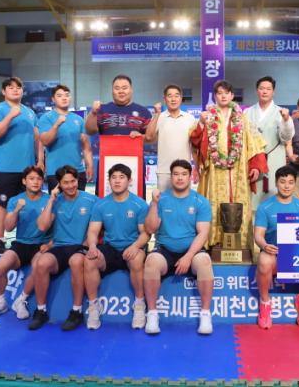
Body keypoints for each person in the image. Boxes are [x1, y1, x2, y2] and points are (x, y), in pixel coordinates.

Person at [190, 80, 267, 248]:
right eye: (219, 93)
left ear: (232, 95)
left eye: (226, 93)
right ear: (215, 96)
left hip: (238, 169)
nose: (223, 96)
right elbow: (195, 140)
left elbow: (255, 142)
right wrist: (201, 123)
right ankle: (214, 241)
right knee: (214, 203)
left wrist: (255, 165)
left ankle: (240, 243)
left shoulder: (242, 117)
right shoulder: (208, 116)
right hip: (215, 170)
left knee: (239, 201)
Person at [143, 159, 214, 334]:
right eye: (176, 174)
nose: (180, 178)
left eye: (184, 174)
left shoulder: (200, 201)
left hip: (191, 251)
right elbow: (150, 229)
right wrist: (154, 204)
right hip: (165, 250)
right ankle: (152, 314)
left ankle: (205, 314)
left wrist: (188, 257)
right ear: (171, 177)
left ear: (190, 177)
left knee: (205, 261)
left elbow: (203, 233)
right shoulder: (161, 199)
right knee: (151, 261)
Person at [29, 165, 99, 331]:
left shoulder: (91, 201)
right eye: (65, 183)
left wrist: (89, 244)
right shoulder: (55, 201)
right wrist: (51, 200)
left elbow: (99, 228)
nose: (70, 185)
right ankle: (41, 310)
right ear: (59, 184)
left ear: (78, 180)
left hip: (80, 246)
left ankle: (76, 311)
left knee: (76, 262)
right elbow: (42, 226)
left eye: (73, 181)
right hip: (59, 246)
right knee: (41, 263)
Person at [83, 164, 149, 330]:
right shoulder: (101, 205)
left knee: (137, 260)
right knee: (89, 260)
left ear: (129, 181)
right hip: (110, 248)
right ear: (109, 181)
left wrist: (135, 246)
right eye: (114, 177)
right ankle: (93, 307)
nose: (117, 181)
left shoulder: (140, 205)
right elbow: (93, 231)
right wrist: (92, 246)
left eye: (121, 177)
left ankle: (139, 304)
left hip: (132, 246)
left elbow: (145, 234)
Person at [0, 166, 50, 321]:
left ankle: (21, 300)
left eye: (39, 179)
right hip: (21, 244)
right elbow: (8, 227)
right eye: (31, 179)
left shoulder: (49, 200)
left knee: (38, 268)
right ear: (24, 181)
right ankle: (1, 302)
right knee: (0, 266)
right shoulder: (15, 200)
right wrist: (16, 211)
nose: (35, 182)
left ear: (42, 181)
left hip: (41, 245)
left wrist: (50, 244)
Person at [0, 77, 43, 254]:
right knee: (3, 205)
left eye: (18, 87)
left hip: (28, 169)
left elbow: (37, 139)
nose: (15, 90)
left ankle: (26, 240)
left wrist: (40, 160)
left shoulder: (30, 113)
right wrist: (10, 115)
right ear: (4, 91)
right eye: (11, 87)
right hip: (6, 169)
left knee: (28, 205)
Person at [254, 165, 299, 329]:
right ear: (276, 183)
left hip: (297, 258)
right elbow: (258, 235)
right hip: (275, 256)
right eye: (282, 182)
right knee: (264, 260)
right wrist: (265, 245)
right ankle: (265, 302)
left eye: (290, 182)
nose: (286, 186)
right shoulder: (265, 207)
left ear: (295, 184)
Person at [85, 74, 152, 197]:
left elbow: (151, 138)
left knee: (135, 199)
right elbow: (90, 130)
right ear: (112, 90)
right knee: (104, 200)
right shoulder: (102, 109)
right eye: (117, 88)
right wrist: (93, 112)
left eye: (124, 88)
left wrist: (141, 137)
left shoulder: (144, 112)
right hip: (107, 164)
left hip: (134, 164)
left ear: (131, 90)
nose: (121, 91)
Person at [244, 76, 294, 210]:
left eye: (268, 89)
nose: (265, 91)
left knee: (275, 194)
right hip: (253, 160)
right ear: (257, 91)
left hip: (274, 159)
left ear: (273, 92)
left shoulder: (281, 112)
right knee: (252, 198)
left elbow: (286, 138)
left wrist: (286, 120)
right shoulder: (247, 112)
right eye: (261, 88)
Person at [38, 84, 93, 192]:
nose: (64, 98)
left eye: (67, 95)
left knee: (79, 202)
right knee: (57, 202)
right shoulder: (46, 118)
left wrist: (90, 166)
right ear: (53, 99)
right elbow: (45, 141)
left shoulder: (79, 120)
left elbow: (86, 148)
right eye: (60, 95)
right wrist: (56, 125)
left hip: (77, 171)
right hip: (56, 172)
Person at [145, 84, 196, 191]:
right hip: (164, 172)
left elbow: (195, 146)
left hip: (184, 171)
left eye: (177, 96)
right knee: (163, 201)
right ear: (164, 99)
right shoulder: (159, 117)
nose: (173, 99)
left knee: (184, 200)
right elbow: (148, 137)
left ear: (181, 98)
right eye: (170, 96)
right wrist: (156, 114)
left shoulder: (190, 119)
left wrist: (196, 167)